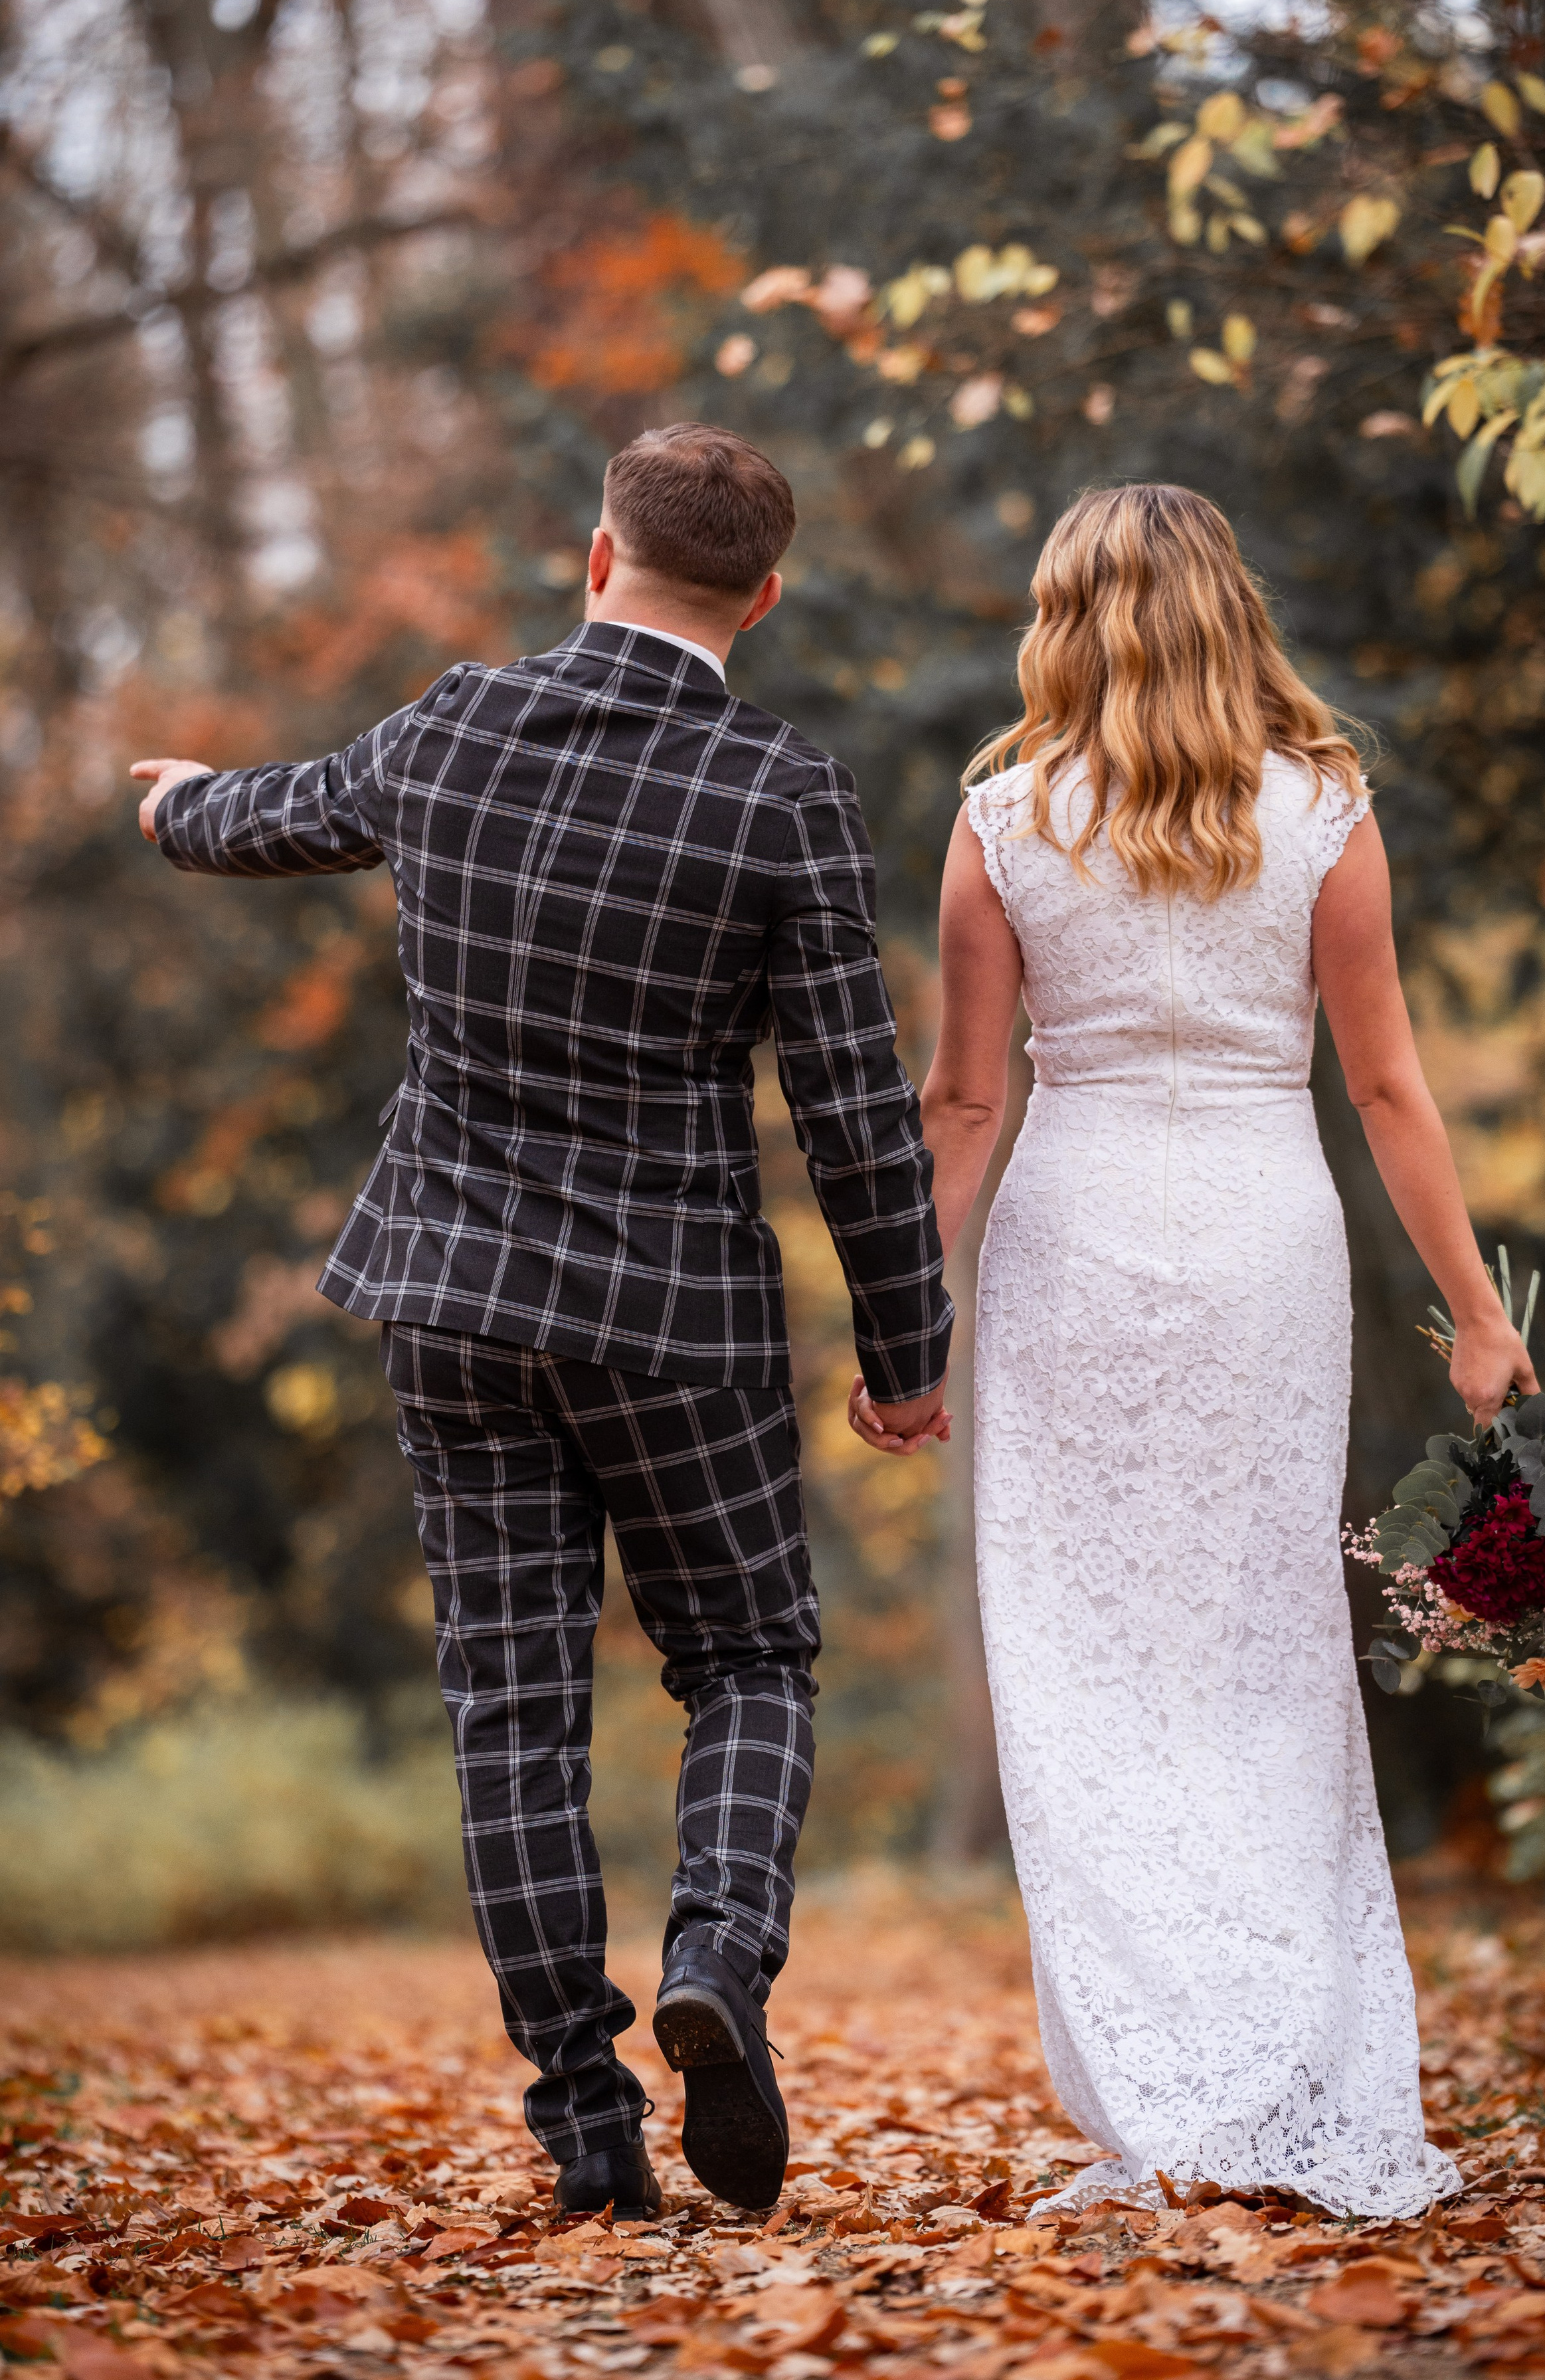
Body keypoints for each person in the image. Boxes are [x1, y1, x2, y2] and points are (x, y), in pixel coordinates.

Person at [131, 423, 953, 2222]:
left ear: (598, 560)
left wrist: (170, 801)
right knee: (747, 1658)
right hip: (674, 1320)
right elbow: (855, 1109)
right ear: (767, 596)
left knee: (512, 1714)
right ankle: (718, 1958)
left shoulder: (451, 727)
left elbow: (277, 813)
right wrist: (908, 1352)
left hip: (450, 1295)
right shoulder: (779, 793)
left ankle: (587, 2128)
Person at [863, 481, 1535, 2219]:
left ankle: (1171, 2080)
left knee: (1089, 1655)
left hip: (1074, 1241)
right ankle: (1275, 2060)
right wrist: (1475, 1310)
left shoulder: (1004, 823)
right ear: (1233, 607)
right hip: (1261, 1237)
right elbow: (1388, 1087)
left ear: (1061, 621)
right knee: (1258, 1635)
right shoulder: (1324, 811)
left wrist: (899, 1324)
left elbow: (964, 1098)